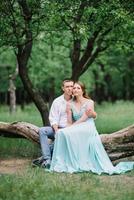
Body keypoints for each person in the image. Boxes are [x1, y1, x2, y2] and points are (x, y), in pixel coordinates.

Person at [50, 81, 134, 174]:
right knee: (61, 133)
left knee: (64, 132)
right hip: (77, 126)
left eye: (78, 88)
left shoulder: (89, 102)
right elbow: (69, 122)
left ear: (82, 91)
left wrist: (72, 127)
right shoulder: (69, 104)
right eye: (74, 88)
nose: (75, 90)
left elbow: (84, 119)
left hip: (87, 126)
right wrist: (68, 129)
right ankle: (61, 163)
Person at [32, 79, 97, 168]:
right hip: (58, 128)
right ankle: (47, 159)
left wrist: (93, 114)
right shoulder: (57, 101)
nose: (70, 89)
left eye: (72, 87)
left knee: (62, 136)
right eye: (67, 87)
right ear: (63, 88)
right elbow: (53, 119)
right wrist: (56, 130)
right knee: (42, 130)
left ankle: (44, 158)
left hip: (73, 128)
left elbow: (87, 114)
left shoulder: (76, 100)